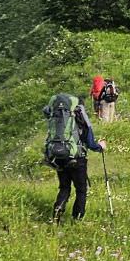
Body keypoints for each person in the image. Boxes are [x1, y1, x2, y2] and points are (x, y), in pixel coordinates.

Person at [43, 91, 106, 220]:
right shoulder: (80, 115)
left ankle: (57, 210)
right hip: (77, 158)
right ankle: (77, 219)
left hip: (58, 156)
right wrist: (100, 147)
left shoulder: (56, 116)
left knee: (64, 187)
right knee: (81, 190)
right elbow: (90, 142)